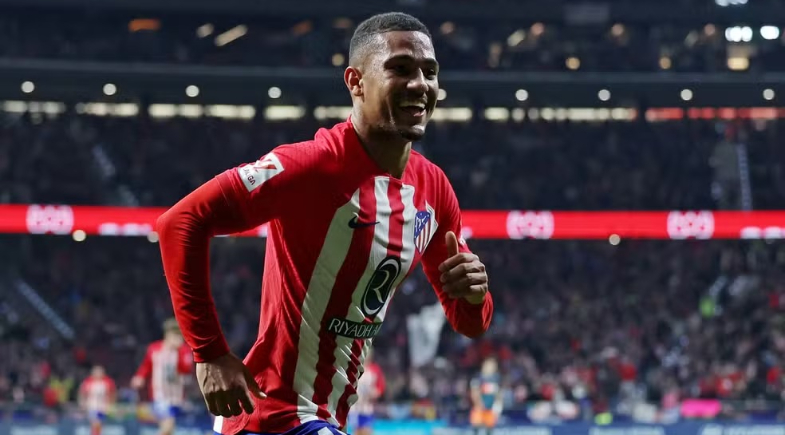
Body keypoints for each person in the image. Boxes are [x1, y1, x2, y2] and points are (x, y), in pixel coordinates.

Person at [156, 11, 493, 435]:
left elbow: (469, 322)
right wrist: (209, 352)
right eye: (400, 69)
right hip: (275, 416)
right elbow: (180, 222)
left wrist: (475, 294)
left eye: (430, 71)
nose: (420, 84)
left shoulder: (434, 189)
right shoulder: (310, 166)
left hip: (327, 417)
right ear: (355, 82)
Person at [131, 318, 194, 435]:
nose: (176, 338)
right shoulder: (154, 349)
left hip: (176, 396)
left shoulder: (184, 350)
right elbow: (146, 365)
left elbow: (186, 369)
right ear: (167, 334)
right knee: (167, 426)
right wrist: (139, 377)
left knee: (169, 429)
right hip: (159, 395)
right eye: (174, 335)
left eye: (179, 335)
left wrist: (178, 351)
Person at [347, 349, 385, 435]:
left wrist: (374, 393)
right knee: (357, 431)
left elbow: (380, 388)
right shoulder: (354, 368)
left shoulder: (375, 369)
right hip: (355, 408)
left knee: (367, 430)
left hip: (367, 408)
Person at [78, 365, 116, 435]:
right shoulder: (88, 382)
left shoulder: (107, 382)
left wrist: (111, 404)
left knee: (99, 423)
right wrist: (83, 403)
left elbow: (112, 393)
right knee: (94, 422)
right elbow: (82, 393)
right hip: (92, 405)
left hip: (102, 406)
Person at [470, 357, 503, 435]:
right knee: (476, 429)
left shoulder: (496, 379)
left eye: (493, 366)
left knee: (489, 430)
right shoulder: (478, 377)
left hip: (490, 409)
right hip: (479, 409)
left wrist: (498, 405)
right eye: (489, 365)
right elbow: (474, 393)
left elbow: (498, 394)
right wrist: (479, 404)